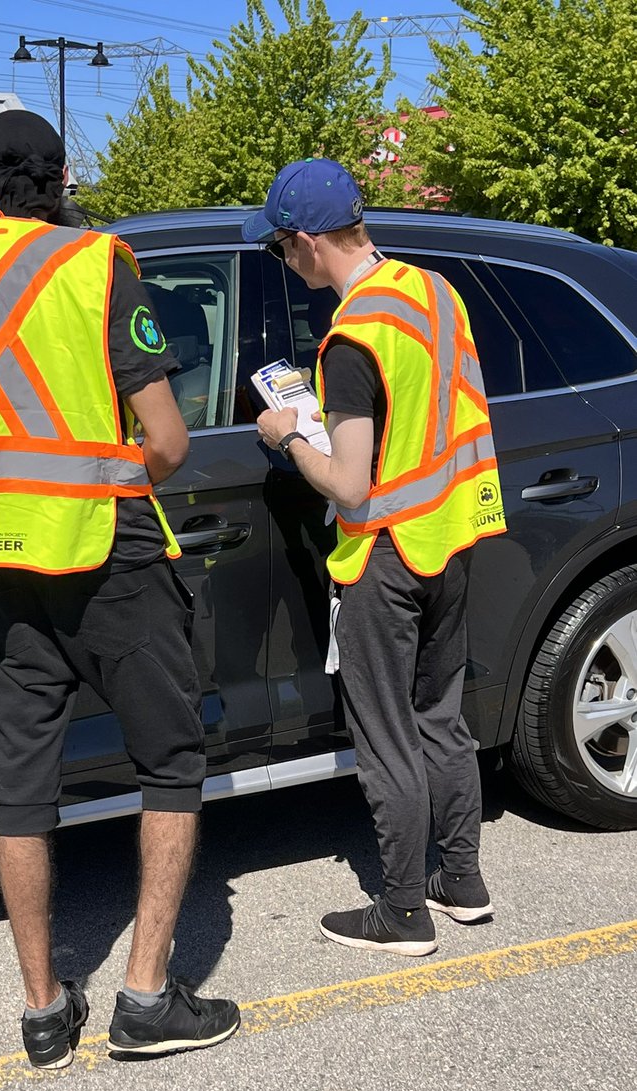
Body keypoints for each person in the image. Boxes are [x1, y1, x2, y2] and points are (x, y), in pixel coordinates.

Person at [0, 110, 239, 1067]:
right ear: (62, 177)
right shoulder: (93, 264)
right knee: (170, 762)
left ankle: (44, 1011)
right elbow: (166, 442)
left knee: (21, 795)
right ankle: (146, 999)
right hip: (108, 557)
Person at [244, 158, 507, 956]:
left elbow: (351, 487)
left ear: (307, 242)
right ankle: (460, 879)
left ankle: (401, 912)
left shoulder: (351, 339)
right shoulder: (432, 292)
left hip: (385, 557)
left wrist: (290, 436)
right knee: (441, 720)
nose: (286, 265)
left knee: (387, 734)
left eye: (282, 250)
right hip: (448, 541)